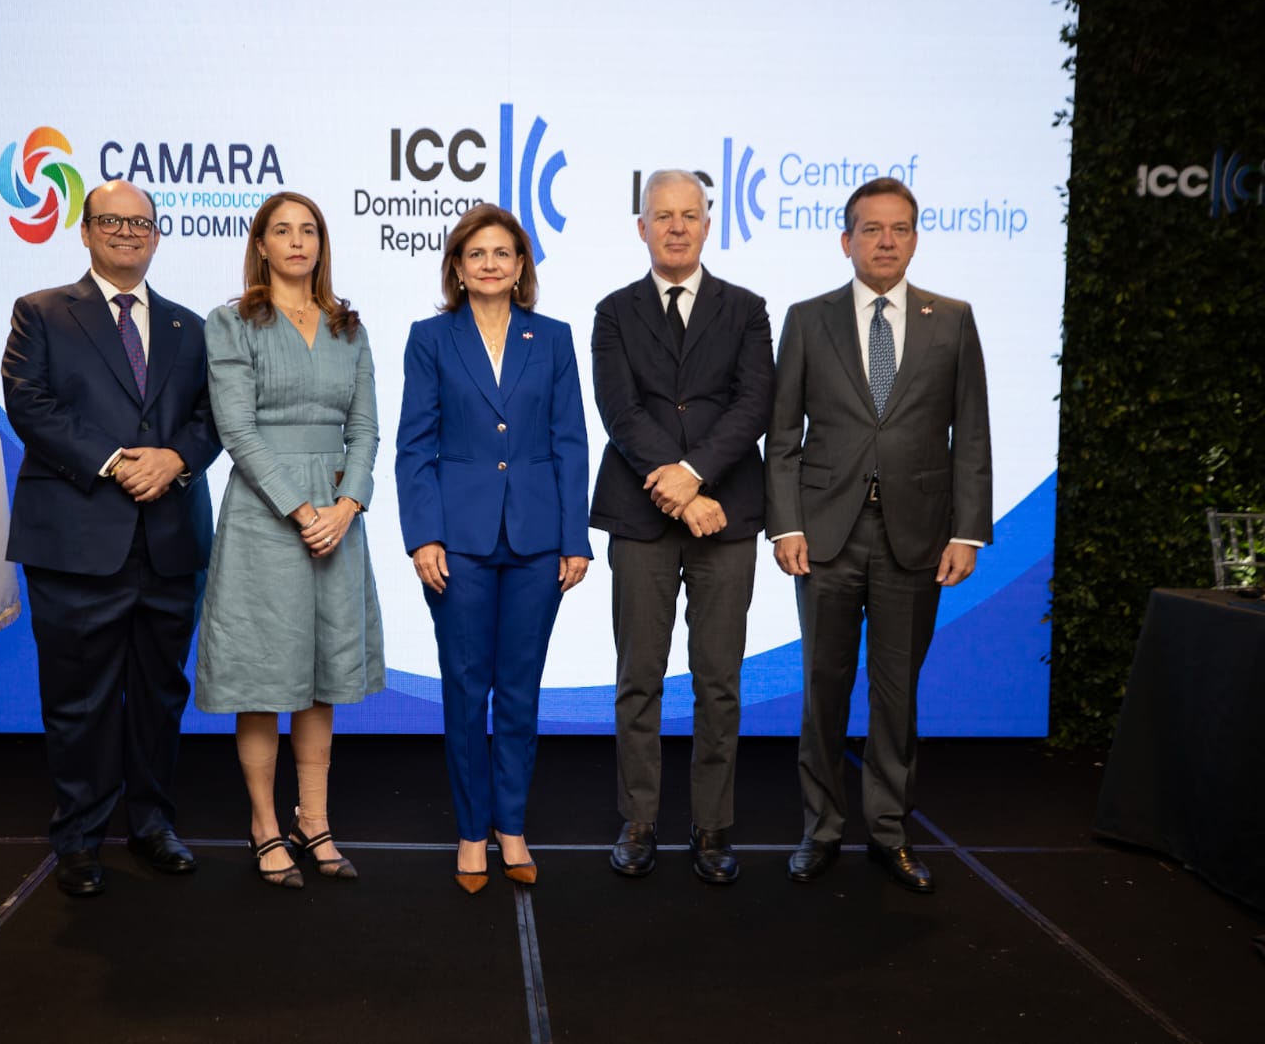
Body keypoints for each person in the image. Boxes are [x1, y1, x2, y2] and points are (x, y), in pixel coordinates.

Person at [765, 177, 992, 894]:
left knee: (897, 695)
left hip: (917, 538)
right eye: (871, 229)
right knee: (822, 691)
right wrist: (786, 524)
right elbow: (782, 436)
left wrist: (968, 532)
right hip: (824, 537)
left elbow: (971, 434)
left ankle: (890, 833)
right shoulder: (808, 319)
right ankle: (821, 829)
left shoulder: (952, 319)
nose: (885, 241)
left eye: (899, 229)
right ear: (846, 240)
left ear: (915, 239)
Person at [3, 180, 223, 897]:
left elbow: (213, 416)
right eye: (112, 220)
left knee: (159, 695)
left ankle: (154, 825)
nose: (127, 232)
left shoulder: (193, 327)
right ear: (86, 230)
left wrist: (177, 457)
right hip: (75, 540)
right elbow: (29, 404)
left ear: (156, 235)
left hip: (169, 541)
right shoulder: (40, 312)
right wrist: (114, 461)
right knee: (79, 700)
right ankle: (78, 839)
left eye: (140, 222)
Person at [395, 204, 592, 894]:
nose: (489, 263)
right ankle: (471, 832)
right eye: (475, 253)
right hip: (458, 541)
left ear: (519, 267)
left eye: (502, 253)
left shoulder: (553, 337)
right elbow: (414, 445)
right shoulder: (430, 338)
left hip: (539, 540)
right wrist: (423, 534)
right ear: (457, 266)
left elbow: (571, 441)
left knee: (518, 691)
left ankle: (512, 826)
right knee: (464, 687)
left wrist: (574, 537)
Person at [194, 191, 384, 889]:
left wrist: (349, 504)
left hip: (338, 519)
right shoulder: (231, 323)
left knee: (322, 672)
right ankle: (265, 824)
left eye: (309, 230)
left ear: (321, 245)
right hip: (264, 515)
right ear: (262, 245)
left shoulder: (348, 327)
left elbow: (365, 428)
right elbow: (237, 430)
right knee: (262, 675)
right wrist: (304, 510)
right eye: (283, 230)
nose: (298, 241)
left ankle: (315, 820)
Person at [590, 169, 774, 884]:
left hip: (726, 513)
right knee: (638, 677)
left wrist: (694, 475)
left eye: (688, 215)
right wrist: (680, 491)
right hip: (641, 516)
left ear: (706, 225)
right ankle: (638, 819)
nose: (675, 226)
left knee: (718, 680)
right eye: (662, 215)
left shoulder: (747, 309)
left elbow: (754, 404)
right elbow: (620, 411)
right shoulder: (613, 312)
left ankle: (712, 825)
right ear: (642, 228)